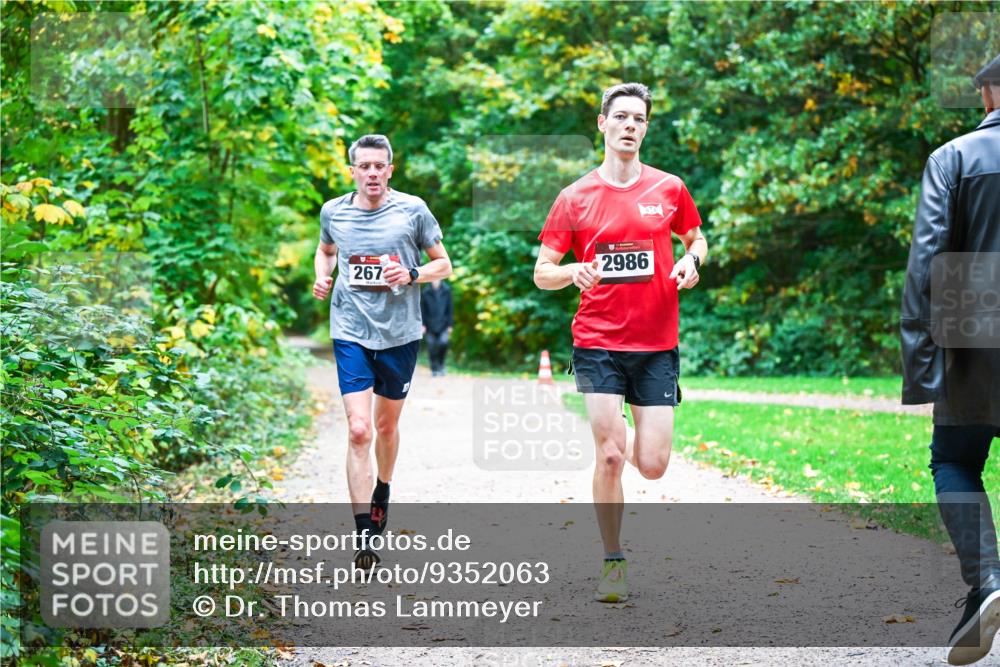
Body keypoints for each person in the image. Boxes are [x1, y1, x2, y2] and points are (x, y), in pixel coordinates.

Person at [533, 83, 707, 603]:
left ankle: (623, 431)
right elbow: (542, 272)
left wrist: (690, 261)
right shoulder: (574, 197)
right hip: (598, 340)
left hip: (656, 342)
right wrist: (572, 273)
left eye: (639, 118)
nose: (630, 125)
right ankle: (612, 558)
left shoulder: (670, 189)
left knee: (651, 464)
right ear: (603, 124)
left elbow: (696, 238)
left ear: (646, 128)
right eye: (621, 117)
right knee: (610, 456)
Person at [901, 54, 1000, 666]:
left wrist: (920, 365)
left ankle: (987, 581)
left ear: (989, 93)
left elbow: (928, 264)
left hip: (974, 319)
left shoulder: (955, 157)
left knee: (954, 458)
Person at [313, 134, 452, 569]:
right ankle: (365, 535)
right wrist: (322, 276)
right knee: (359, 429)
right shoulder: (333, 211)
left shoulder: (413, 210)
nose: (372, 173)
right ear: (352, 170)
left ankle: (383, 488)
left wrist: (410, 273)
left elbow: (444, 265)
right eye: (364, 166)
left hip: (400, 333)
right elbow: (325, 251)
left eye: (379, 166)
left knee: (386, 428)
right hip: (350, 328)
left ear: (390, 170)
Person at [420, 279, 454, 376]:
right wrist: (423, 325)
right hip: (429, 325)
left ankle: (441, 365)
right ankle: (434, 368)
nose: (435, 281)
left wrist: (450, 325)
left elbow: (450, 309)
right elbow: (422, 310)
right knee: (431, 346)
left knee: (443, 343)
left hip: (444, 324)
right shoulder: (426, 292)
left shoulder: (447, 290)